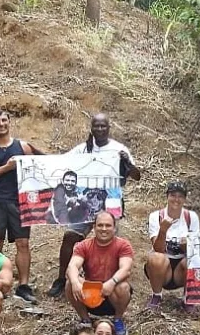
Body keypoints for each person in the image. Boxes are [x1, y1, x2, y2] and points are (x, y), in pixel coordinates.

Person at [48, 114, 141, 297]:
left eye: (103, 126)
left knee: (115, 245)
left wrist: (127, 164)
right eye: (96, 126)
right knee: (70, 237)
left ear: (108, 127)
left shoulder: (118, 149)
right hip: (84, 205)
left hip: (109, 206)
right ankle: (62, 279)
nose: (100, 129)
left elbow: (137, 176)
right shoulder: (82, 149)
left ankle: (118, 282)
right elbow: (59, 164)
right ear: (91, 128)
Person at [0, 108, 42, 304]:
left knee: (23, 243)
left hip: (19, 202)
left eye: (4, 120)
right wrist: (7, 167)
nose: (1, 124)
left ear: (9, 122)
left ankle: (23, 286)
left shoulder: (23, 146)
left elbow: (44, 164)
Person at [65, 211, 134, 335]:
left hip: (113, 295)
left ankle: (118, 319)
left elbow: (126, 269)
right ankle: (85, 320)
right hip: (91, 293)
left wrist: (111, 282)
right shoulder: (83, 246)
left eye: (108, 225)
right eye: (100, 225)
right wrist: (75, 282)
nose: (104, 229)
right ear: (94, 227)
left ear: (114, 228)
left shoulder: (123, 245)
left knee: (123, 287)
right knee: (70, 283)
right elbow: (72, 266)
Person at [145, 181, 200, 309]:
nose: (176, 199)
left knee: (194, 261)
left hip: (181, 268)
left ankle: (188, 298)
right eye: (173, 195)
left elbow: (195, 250)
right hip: (163, 269)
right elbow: (157, 248)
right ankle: (157, 295)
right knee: (155, 257)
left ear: (185, 199)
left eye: (180, 196)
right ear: (167, 196)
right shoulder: (156, 216)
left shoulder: (191, 217)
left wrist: (186, 245)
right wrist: (163, 230)